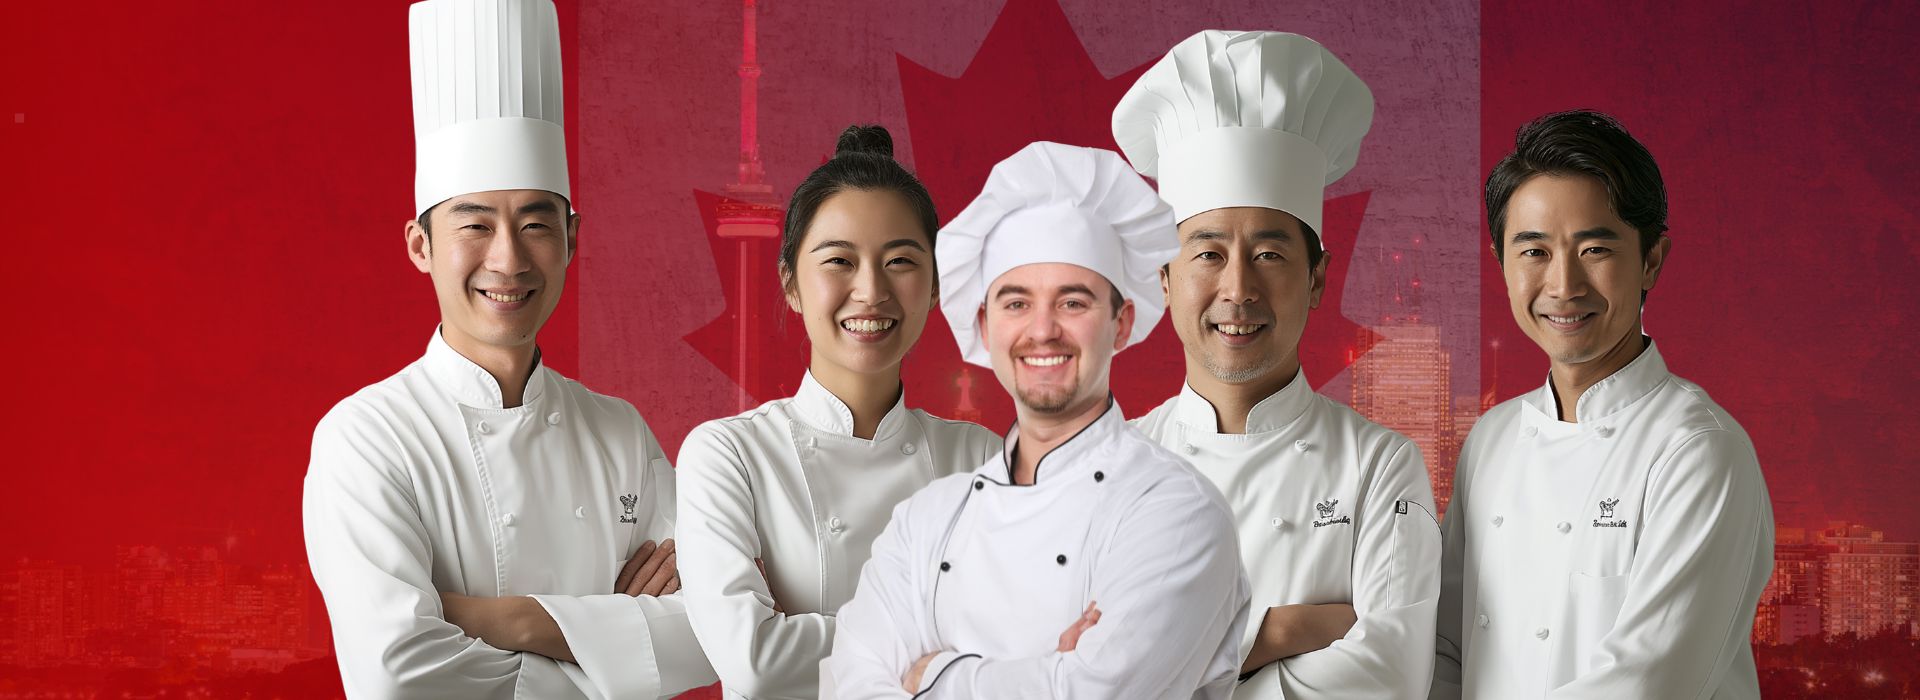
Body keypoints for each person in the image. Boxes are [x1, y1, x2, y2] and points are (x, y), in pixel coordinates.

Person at [302, 1, 714, 696]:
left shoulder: (619, 432)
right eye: (475, 223)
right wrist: (612, 639)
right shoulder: (366, 439)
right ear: (420, 246)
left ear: (572, 239)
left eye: (534, 222)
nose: (508, 258)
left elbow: (718, 630)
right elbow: (399, 678)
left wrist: (516, 622)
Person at [825, 142, 1250, 699]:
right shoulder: (926, 520)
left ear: (1121, 324)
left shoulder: (1176, 511)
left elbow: (1094, 696)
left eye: (1073, 303)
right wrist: (1050, 672)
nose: (1042, 330)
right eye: (1016, 303)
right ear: (984, 323)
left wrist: (931, 675)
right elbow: (847, 687)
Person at [1115, 30, 1441, 698]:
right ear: (1164, 279)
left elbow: (1392, 679)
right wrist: (1281, 633)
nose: (1238, 290)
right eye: (1208, 254)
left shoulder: (1381, 466)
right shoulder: (1109, 469)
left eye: (1269, 254)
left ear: (1318, 279)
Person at [1430, 110, 1773, 699]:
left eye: (1594, 249)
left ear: (1651, 262)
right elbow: (1445, 648)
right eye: (1534, 252)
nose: (1563, 286)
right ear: (1502, 265)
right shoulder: (1490, 439)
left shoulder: (1697, 450)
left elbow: (1646, 684)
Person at [675, 124, 1002, 700]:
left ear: (933, 287)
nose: (871, 290)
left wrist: (800, 634)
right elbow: (753, 663)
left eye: (900, 260)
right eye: (839, 261)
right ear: (792, 285)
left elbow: (1019, 649)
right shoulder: (729, 455)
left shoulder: (980, 456)